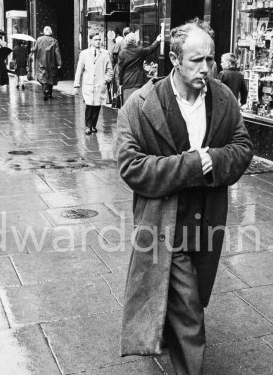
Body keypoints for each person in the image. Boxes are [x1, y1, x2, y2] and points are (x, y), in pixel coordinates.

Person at [116, 18, 253, 374]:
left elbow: (242, 148)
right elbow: (132, 167)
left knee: (191, 293)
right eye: (197, 60)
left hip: (208, 221)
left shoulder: (223, 97)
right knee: (190, 307)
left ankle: (162, 325)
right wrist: (193, 165)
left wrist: (215, 160)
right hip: (164, 224)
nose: (207, 68)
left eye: (211, 59)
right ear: (175, 59)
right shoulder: (139, 104)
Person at [73, 32, 113, 135]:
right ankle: (88, 126)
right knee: (89, 105)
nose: (98, 41)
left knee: (97, 106)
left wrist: (105, 80)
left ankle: (93, 125)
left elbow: (110, 70)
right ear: (90, 41)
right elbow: (79, 70)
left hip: (100, 84)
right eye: (96, 40)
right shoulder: (84, 53)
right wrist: (76, 85)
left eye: (99, 39)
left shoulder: (105, 53)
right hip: (88, 84)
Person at [117, 32, 161, 107]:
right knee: (138, 104)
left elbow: (120, 70)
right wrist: (157, 40)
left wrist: (120, 83)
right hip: (138, 80)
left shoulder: (122, 53)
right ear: (135, 41)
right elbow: (151, 49)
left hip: (127, 81)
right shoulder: (139, 51)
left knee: (128, 105)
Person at [32, 26, 61, 101]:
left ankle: (45, 90)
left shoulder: (39, 39)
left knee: (43, 77)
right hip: (51, 62)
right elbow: (57, 53)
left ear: (44, 31)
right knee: (51, 77)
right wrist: (59, 63)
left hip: (41, 62)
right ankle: (50, 93)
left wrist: (32, 49)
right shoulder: (54, 41)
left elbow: (35, 50)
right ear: (50, 32)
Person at [110, 27, 130, 108]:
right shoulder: (133, 44)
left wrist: (114, 67)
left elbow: (113, 58)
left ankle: (117, 103)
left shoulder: (118, 44)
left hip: (118, 67)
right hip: (126, 68)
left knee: (119, 86)